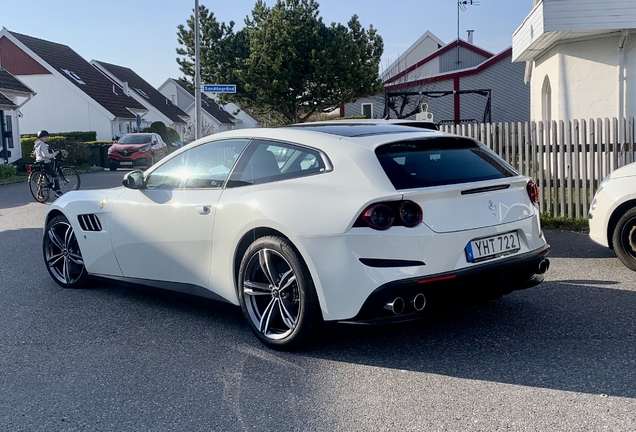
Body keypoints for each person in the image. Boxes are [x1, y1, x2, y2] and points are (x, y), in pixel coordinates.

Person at [33, 130, 62, 197]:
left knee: (42, 177)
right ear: (41, 138)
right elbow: (46, 155)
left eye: (47, 137)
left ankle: (40, 194)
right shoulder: (43, 144)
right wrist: (55, 153)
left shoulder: (37, 144)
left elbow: (34, 154)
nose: (46, 138)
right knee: (54, 176)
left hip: (39, 162)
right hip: (45, 162)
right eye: (44, 137)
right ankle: (58, 191)